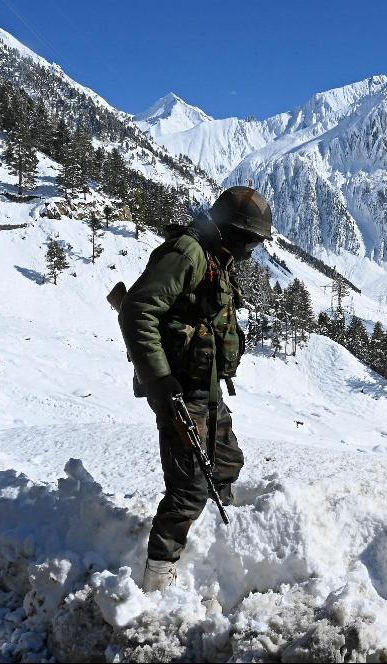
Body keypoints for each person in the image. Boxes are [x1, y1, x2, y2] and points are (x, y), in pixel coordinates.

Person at [117, 186, 272, 593]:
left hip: (207, 388)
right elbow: (137, 310)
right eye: (250, 240)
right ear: (230, 230)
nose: (252, 249)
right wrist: (159, 380)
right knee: (188, 489)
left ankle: (217, 548)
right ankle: (157, 578)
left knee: (224, 463)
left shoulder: (215, 256)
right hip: (180, 391)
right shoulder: (186, 253)